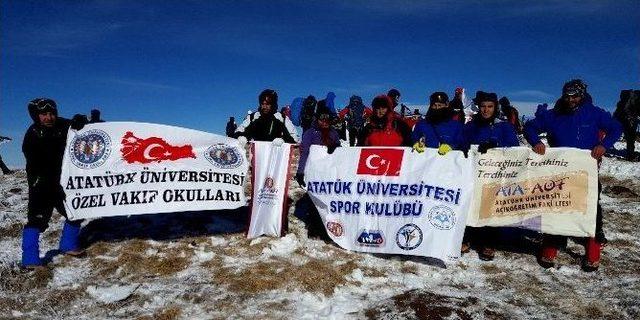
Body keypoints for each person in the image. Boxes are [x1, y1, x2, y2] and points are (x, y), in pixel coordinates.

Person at [524, 79, 622, 272]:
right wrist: (536, 141)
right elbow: (530, 127)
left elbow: (615, 128)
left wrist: (604, 145)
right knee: (556, 205)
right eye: (567, 96)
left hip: (587, 170)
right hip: (561, 170)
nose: (571, 100)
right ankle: (551, 244)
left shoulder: (594, 113)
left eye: (575, 96)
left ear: (582, 95)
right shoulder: (554, 115)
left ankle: (593, 246)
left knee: (591, 206)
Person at [21, 98, 87, 268]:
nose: (49, 117)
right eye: (44, 114)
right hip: (41, 184)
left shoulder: (62, 124)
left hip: (64, 182)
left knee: (76, 211)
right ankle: (30, 259)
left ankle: (68, 245)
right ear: (36, 116)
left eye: (51, 113)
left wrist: (82, 120)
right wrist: (48, 185)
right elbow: (37, 165)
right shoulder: (32, 135)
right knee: (37, 221)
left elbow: (79, 126)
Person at [462, 91, 520, 261]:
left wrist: (496, 145)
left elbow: (514, 148)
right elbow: (462, 141)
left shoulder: (504, 126)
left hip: (495, 176)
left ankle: (488, 243)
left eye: (489, 107)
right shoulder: (472, 126)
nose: (486, 110)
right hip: (474, 173)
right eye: (483, 107)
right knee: (471, 204)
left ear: (495, 108)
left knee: (490, 206)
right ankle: (467, 237)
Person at [234, 89, 299, 144]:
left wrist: (283, 141)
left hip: (275, 154)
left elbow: (295, 138)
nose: (264, 107)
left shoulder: (282, 118)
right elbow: (238, 131)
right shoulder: (253, 117)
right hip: (255, 154)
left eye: (268, 104)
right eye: (262, 104)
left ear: (273, 104)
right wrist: (241, 137)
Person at [613, 89, 640, 160]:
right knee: (631, 136)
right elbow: (629, 109)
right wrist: (631, 118)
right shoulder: (634, 97)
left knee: (630, 136)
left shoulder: (634, 97)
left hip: (624, 116)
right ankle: (631, 156)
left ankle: (630, 154)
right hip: (627, 117)